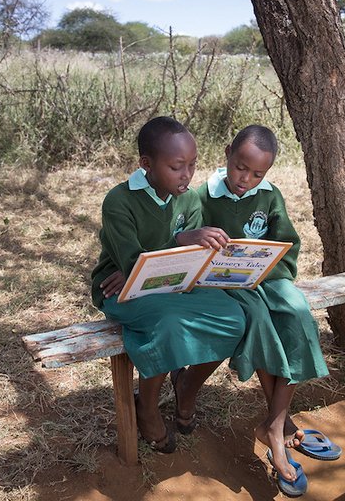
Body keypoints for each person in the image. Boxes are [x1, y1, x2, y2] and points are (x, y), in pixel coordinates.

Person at [91, 116, 247, 453]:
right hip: (120, 289)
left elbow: (180, 260)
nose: (187, 174)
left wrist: (156, 259)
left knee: (234, 317)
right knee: (169, 323)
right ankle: (146, 408)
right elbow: (133, 266)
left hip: (175, 285)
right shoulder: (119, 201)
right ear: (146, 164)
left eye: (192, 165)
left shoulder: (189, 201)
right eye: (177, 166)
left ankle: (187, 385)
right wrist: (178, 241)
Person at [197, 124, 332, 489]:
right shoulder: (203, 196)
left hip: (267, 277)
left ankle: (275, 421)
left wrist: (268, 269)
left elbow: (286, 244)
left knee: (297, 312)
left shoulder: (270, 195)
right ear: (227, 153)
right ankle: (278, 427)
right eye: (241, 168)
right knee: (258, 319)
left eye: (258, 173)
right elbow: (191, 252)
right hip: (223, 284)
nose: (246, 179)